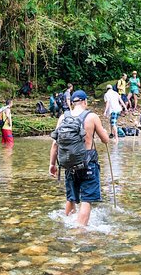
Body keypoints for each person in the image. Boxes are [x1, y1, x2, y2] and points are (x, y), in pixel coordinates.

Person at [49, 90, 110, 226]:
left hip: (69, 163)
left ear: (72, 103)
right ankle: (80, 231)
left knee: (71, 197)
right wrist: (104, 132)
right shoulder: (92, 117)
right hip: (88, 163)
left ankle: (67, 224)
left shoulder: (63, 118)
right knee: (86, 199)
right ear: (85, 102)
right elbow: (106, 140)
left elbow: (55, 144)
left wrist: (52, 165)